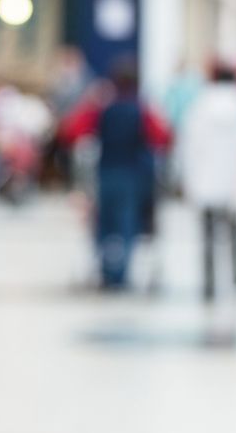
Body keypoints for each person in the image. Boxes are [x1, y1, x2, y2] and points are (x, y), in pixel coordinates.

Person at [59, 58, 171, 288]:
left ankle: (107, 271)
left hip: (106, 172)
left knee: (104, 225)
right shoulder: (142, 110)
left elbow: (71, 132)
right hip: (134, 176)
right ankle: (121, 273)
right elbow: (164, 138)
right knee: (127, 224)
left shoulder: (102, 109)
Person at [178, 60, 236, 300]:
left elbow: (188, 145)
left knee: (207, 234)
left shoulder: (200, 106)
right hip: (234, 180)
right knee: (235, 231)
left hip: (205, 179)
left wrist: (187, 176)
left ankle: (209, 282)